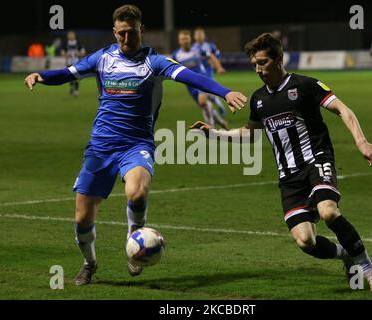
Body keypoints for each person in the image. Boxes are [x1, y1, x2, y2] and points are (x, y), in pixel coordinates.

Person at [24, 4, 247, 286]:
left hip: (136, 144)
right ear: (114, 32)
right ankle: (89, 263)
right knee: (82, 218)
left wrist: (225, 92)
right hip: (101, 147)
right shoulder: (102, 58)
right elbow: (69, 72)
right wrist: (41, 76)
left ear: (141, 30)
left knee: (138, 192)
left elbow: (191, 76)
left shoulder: (155, 62)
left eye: (131, 33)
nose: (126, 39)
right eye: (121, 34)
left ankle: (134, 243)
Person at [191, 33, 372, 296]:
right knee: (306, 241)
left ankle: (370, 271)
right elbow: (249, 134)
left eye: (262, 63)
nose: (258, 69)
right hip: (289, 178)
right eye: (254, 65)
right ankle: (346, 256)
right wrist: (212, 134)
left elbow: (343, 109)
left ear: (279, 59)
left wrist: (361, 142)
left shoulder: (305, 85)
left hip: (316, 160)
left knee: (328, 212)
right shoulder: (259, 99)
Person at [173, 30, 228, 129]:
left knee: (203, 102)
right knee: (204, 105)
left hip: (201, 80)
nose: (185, 41)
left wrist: (219, 67)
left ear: (190, 39)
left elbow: (211, 55)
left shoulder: (197, 49)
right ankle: (221, 122)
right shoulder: (176, 55)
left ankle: (210, 128)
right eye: (182, 39)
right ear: (179, 41)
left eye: (186, 38)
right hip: (189, 85)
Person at [193, 27, 227, 116]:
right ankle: (218, 105)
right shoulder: (193, 47)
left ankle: (211, 119)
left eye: (201, 34)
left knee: (204, 94)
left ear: (204, 35)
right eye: (197, 34)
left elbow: (216, 55)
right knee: (207, 91)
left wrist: (217, 66)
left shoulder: (209, 45)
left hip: (208, 70)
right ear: (194, 36)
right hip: (197, 72)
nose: (199, 36)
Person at [61, 31, 86, 97]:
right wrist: (66, 54)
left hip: (76, 62)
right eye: (69, 35)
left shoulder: (78, 43)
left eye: (72, 35)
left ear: (74, 35)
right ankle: (72, 87)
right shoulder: (66, 43)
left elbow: (83, 52)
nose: (71, 36)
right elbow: (62, 52)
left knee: (76, 76)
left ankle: (76, 90)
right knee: (69, 76)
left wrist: (79, 54)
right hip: (69, 62)